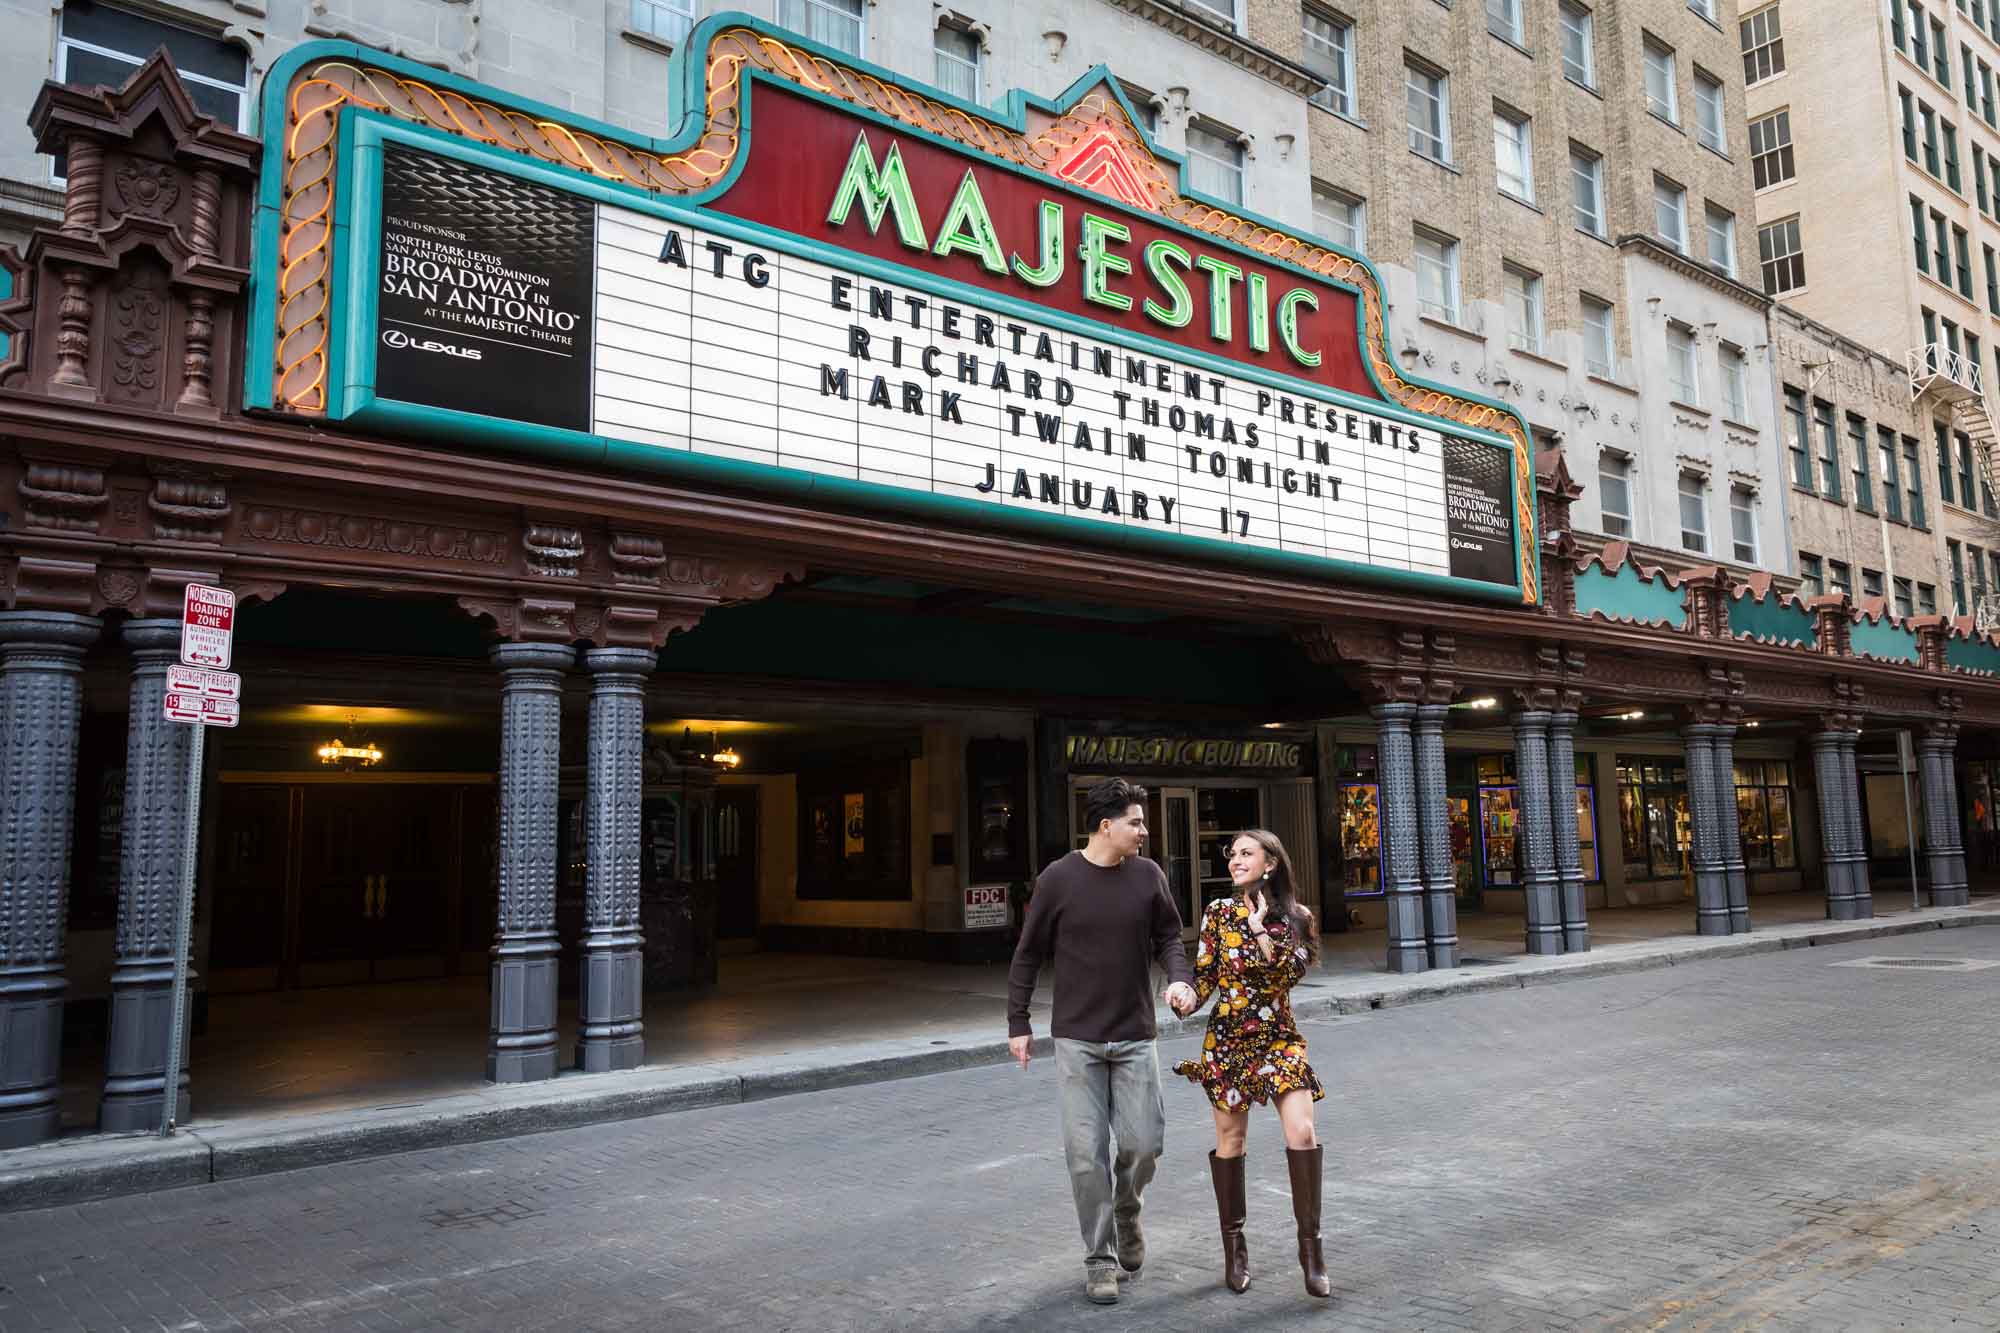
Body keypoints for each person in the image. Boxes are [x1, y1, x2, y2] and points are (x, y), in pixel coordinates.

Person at [1007, 777, 1195, 1306]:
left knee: (1142, 1145)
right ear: (1106, 825)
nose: (1144, 830)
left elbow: (1168, 939)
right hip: (1077, 1041)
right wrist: (1017, 1023)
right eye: (1136, 821)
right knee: (1085, 1156)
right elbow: (1027, 954)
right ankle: (1099, 1258)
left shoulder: (1148, 876)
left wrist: (1181, 979)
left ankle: (1128, 1209)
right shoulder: (1058, 880)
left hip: (1136, 1035)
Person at [1172, 828, 1329, 1299]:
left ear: (1271, 863)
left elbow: (1286, 973)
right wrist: (1185, 996)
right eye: (1232, 854)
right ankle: (1234, 1250)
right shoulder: (1218, 913)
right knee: (1231, 1140)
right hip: (1228, 1043)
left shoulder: (1298, 918)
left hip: (1279, 1040)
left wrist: (1260, 926)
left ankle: (1311, 1252)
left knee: (1302, 1133)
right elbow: (1204, 978)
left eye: (1247, 853)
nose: (1236, 861)